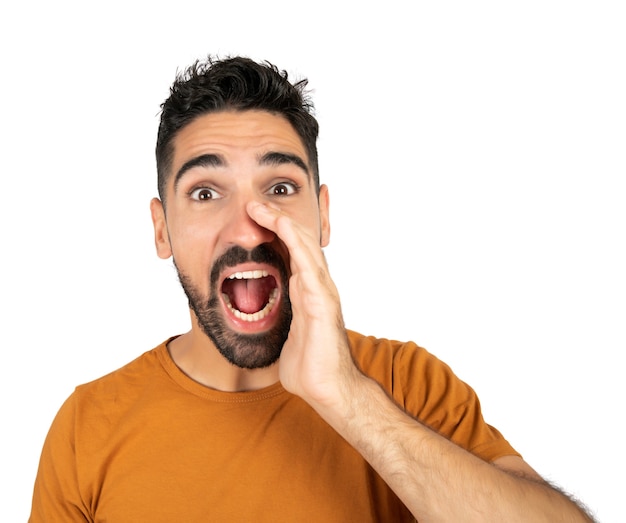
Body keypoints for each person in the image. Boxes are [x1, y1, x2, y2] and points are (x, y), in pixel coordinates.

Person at [29, 55, 595, 522]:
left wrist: (345, 395)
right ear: (162, 229)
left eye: (279, 186)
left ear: (322, 218)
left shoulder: (407, 384)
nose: (249, 224)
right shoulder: (89, 425)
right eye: (205, 192)